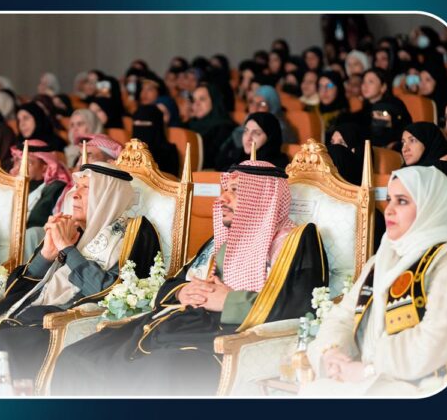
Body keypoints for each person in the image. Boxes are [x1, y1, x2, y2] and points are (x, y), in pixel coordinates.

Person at [52, 160, 327, 396]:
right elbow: (173, 284)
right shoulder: (220, 242)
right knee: (77, 356)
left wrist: (230, 302)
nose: (222, 199)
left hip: (225, 337)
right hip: (179, 325)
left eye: (235, 191)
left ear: (263, 198)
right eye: (224, 190)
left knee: (159, 371)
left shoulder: (296, 241)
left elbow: (301, 305)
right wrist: (182, 292)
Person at [0, 162, 161, 381]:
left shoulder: (135, 233)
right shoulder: (71, 228)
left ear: (107, 196)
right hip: (26, 313)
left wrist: (67, 249)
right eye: (76, 186)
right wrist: (46, 255)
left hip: (59, 322)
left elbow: (111, 293)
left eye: (86, 188)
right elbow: (16, 289)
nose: (74, 194)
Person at [302, 166, 447, 396]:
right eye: (388, 200)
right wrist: (332, 353)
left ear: (431, 207)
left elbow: (437, 341)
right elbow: (342, 316)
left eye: (402, 201)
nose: (389, 210)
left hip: (424, 386)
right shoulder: (381, 260)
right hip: (366, 377)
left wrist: (370, 368)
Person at [10, 140, 72, 229]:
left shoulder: (56, 189)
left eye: (28, 163)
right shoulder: (11, 184)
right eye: (17, 161)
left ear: (45, 167)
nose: (19, 168)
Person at [400, 122, 447, 196]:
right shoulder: (404, 170)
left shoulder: (443, 169)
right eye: (403, 142)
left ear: (428, 141)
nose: (404, 149)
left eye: (412, 140)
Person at [217, 112, 290, 171]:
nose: (248, 138)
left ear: (270, 138)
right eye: (246, 131)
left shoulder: (278, 167)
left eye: (256, 133)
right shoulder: (237, 156)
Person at [186, 84, 236, 170]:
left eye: (202, 99)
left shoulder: (225, 128)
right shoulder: (187, 125)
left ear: (214, 100)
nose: (196, 104)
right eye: (194, 100)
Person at [131, 105, 179, 176]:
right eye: (136, 124)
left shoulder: (168, 152)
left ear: (157, 126)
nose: (140, 131)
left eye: (144, 124)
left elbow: (171, 179)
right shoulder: (128, 152)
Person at [318, 71, 350, 135]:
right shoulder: (312, 111)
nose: (324, 91)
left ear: (339, 88)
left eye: (330, 85)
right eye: (321, 86)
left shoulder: (346, 117)